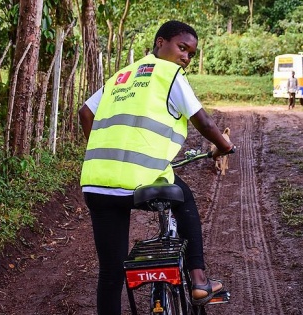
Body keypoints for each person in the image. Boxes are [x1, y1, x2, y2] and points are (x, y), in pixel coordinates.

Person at [78, 20, 234, 315]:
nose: (185, 57)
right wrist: (225, 147)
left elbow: (85, 112)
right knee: (184, 198)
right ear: (160, 42)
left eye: (190, 53)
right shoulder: (168, 74)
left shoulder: (122, 75)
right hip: (139, 180)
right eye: (182, 47)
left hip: (97, 181)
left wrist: (100, 150)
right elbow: (204, 121)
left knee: (111, 274)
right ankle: (199, 278)